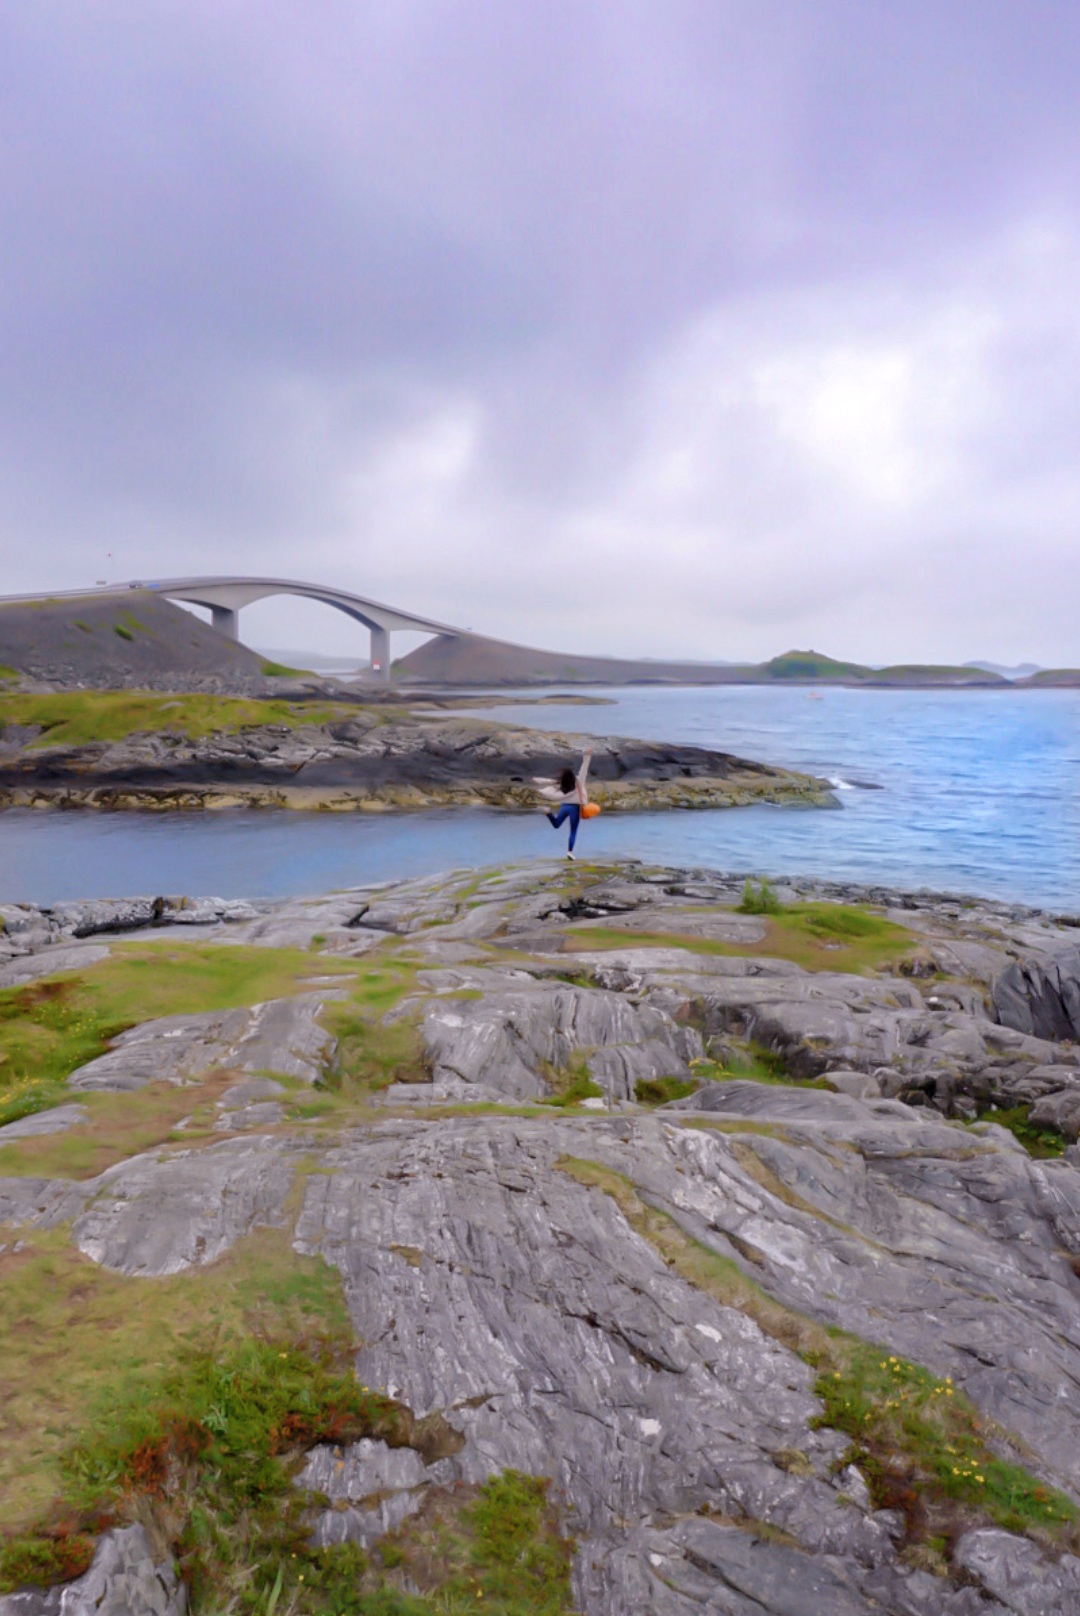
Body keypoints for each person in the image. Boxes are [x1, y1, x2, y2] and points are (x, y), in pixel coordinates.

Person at [534, 747, 592, 859]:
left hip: (565, 806)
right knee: (573, 831)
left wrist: (537, 782)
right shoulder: (579, 781)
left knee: (557, 824)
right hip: (575, 808)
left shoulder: (561, 785)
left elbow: (549, 785)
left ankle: (548, 813)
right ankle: (570, 852)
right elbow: (584, 768)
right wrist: (587, 755)